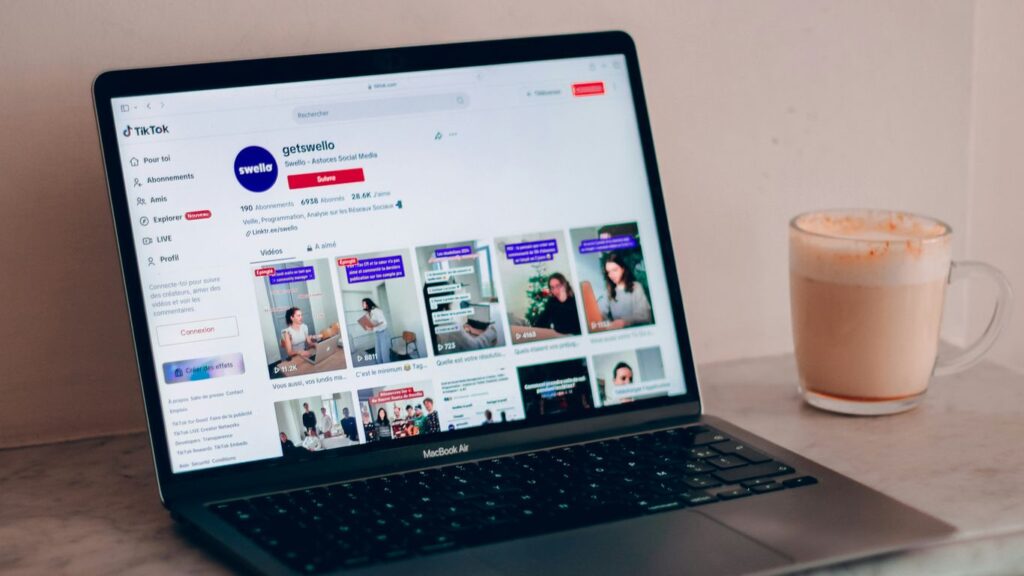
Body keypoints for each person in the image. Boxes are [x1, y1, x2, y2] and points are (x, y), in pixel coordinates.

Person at [598, 251, 653, 328]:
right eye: (608, 272)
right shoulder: (608, 291)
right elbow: (600, 311)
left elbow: (645, 315)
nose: (611, 275)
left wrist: (624, 322)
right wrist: (607, 324)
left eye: (614, 270)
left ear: (623, 269)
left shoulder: (636, 287)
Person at [361, 298, 392, 364]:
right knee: (378, 352)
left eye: (363, 303)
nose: (362, 305)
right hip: (377, 334)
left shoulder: (377, 311)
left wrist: (373, 328)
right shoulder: (369, 313)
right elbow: (373, 325)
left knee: (384, 354)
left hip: (383, 333)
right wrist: (368, 327)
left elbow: (384, 323)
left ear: (367, 303)